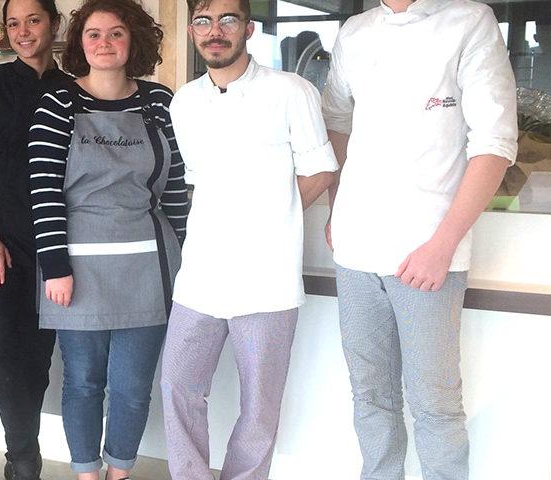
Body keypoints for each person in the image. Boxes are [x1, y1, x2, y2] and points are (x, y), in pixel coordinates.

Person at [321, 0, 518, 479]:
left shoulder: (470, 21)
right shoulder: (355, 31)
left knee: (435, 405)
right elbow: (336, 123)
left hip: (427, 253)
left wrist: (442, 245)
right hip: (355, 250)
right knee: (371, 396)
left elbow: (495, 144)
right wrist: (335, 207)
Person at [159, 0, 337, 478]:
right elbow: (197, 179)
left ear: (249, 28)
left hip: (267, 280)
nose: (214, 30)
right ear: (192, 31)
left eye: (227, 20)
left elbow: (320, 169)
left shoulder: (290, 91)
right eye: (203, 21)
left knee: (259, 405)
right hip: (200, 276)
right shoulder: (184, 101)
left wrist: (269, 212)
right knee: (178, 386)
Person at [26, 0, 188, 477]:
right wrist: (55, 267)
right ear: (80, 43)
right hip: (77, 271)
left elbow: (175, 189)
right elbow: (43, 189)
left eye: (116, 33)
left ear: (133, 40)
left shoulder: (159, 103)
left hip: (149, 269)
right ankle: (86, 473)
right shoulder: (58, 102)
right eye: (93, 34)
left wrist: (187, 256)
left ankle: (119, 472)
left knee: (133, 387)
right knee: (82, 383)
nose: (104, 43)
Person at [0, 0, 72, 477]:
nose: (23, 32)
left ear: (55, 24)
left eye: (33, 20)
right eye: (13, 24)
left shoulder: (73, 89)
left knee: (39, 356)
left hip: (56, 248)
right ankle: (21, 458)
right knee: (2, 351)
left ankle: (26, 450)